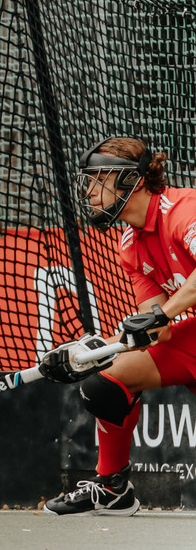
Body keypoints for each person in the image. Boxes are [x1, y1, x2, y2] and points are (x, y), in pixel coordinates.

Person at [39, 136, 195, 516]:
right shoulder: (131, 243)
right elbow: (156, 330)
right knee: (106, 381)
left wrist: (165, 312)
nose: (89, 191)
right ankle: (112, 488)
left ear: (132, 180)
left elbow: (164, 313)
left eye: (97, 180)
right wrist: (88, 353)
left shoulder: (185, 210)